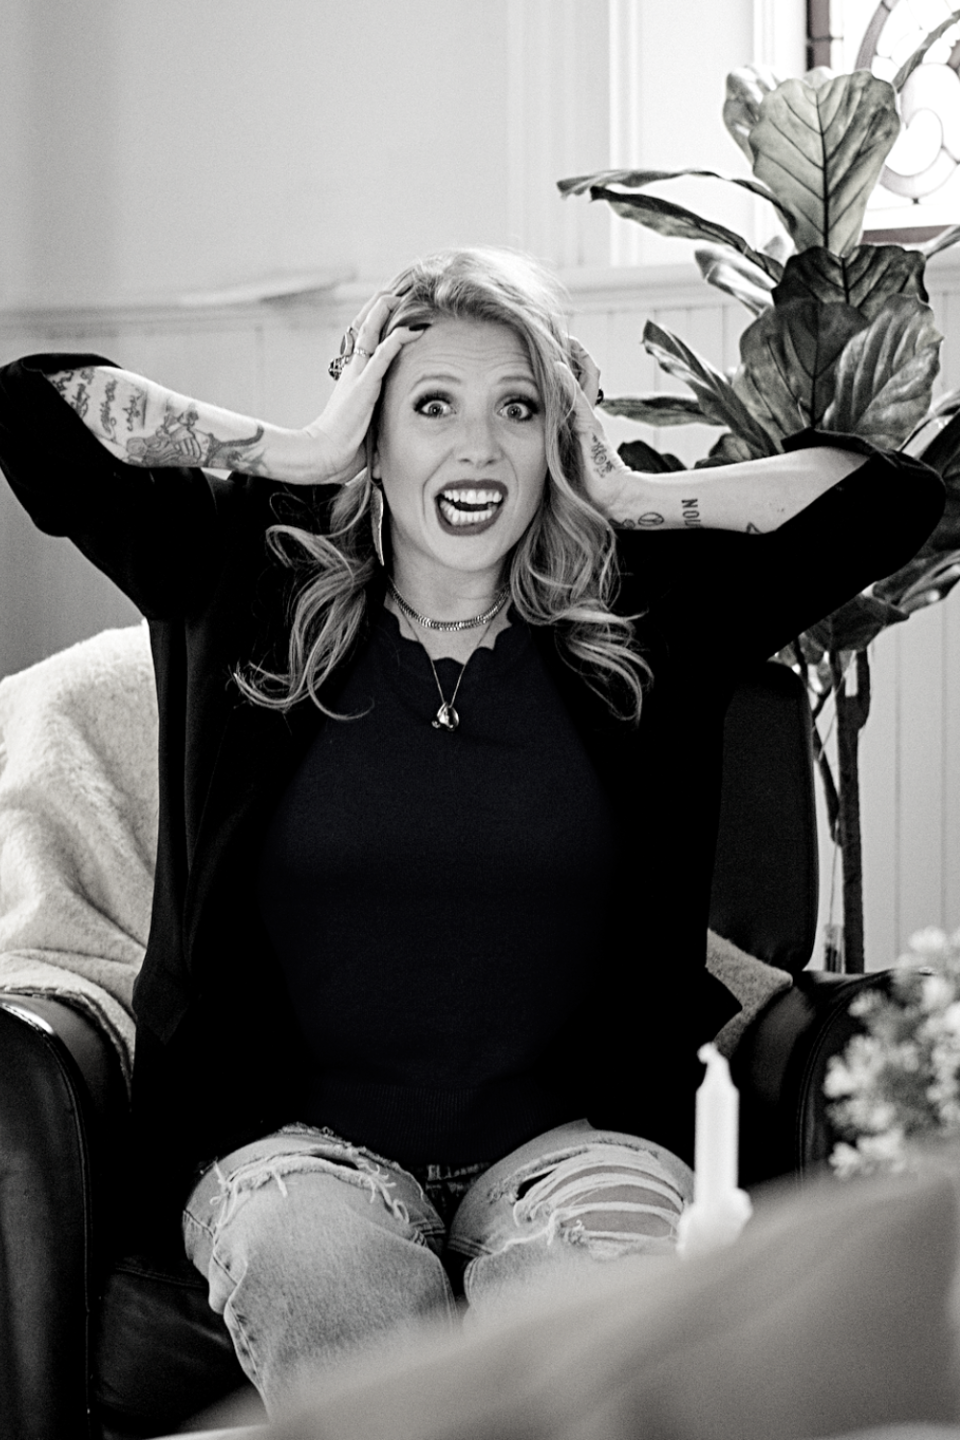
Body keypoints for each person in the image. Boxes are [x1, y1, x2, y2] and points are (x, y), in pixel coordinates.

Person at [0, 247, 944, 1416]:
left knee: (595, 1307)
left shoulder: (646, 607)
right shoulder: (246, 574)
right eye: (431, 406)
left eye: (519, 408)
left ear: (557, 435)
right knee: (327, 1280)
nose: (479, 448)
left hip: (577, 1144)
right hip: (293, 1149)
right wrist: (300, 449)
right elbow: (31, 411)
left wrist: (628, 492)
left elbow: (891, 501)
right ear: (375, 429)